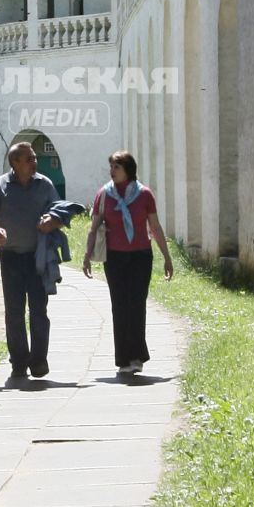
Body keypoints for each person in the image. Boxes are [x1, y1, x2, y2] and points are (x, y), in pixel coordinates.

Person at [82, 149, 173, 374]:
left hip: (140, 256)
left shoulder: (144, 195)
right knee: (120, 305)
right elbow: (94, 228)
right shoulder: (104, 194)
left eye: (117, 167)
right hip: (114, 257)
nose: (112, 171)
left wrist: (167, 257)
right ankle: (124, 358)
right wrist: (87, 255)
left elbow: (155, 227)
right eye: (111, 166)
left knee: (137, 304)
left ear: (128, 170)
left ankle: (138, 356)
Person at [0, 142, 59, 379]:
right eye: (30, 158)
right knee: (14, 311)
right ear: (15, 163)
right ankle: (18, 361)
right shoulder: (1, 185)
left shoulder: (44, 184)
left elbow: (60, 211)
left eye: (34, 158)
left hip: (38, 257)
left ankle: (38, 361)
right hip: (11, 256)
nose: (35, 162)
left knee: (38, 309)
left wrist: (52, 221)